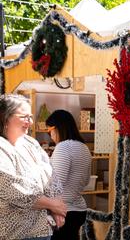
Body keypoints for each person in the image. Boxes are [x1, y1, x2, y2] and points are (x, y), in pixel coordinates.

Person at [0, 94, 67, 240]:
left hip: (42, 230)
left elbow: (51, 174)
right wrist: (52, 205)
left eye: (30, 116)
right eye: (24, 117)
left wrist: (56, 205)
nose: (30, 122)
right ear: (5, 117)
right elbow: (11, 187)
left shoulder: (30, 143)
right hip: (14, 233)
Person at [45, 110, 92, 240]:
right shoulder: (84, 147)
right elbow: (86, 180)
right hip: (78, 210)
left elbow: (56, 182)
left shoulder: (63, 147)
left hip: (63, 211)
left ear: (58, 128)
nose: (51, 136)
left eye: (49, 131)